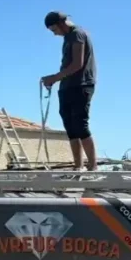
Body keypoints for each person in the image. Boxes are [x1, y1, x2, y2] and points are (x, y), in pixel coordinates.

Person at [40, 11, 97, 171]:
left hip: (81, 85)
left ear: (61, 24)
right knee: (70, 127)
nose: (54, 34)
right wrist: (56, 80)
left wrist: (54, 78)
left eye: (54, 30)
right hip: (67, 86)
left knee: (80, 124)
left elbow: (77, 64)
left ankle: (92, 166)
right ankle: (78, 166)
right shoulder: (68, 38)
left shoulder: (77, 34)